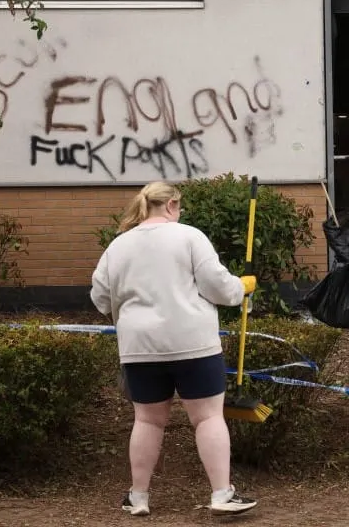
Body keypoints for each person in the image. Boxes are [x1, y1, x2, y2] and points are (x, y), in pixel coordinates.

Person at [90, 181, 260, 517]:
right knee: (208, 417)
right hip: (194, 344)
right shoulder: (190, 237)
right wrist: (241, 287)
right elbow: (218, 286)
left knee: (147, 421)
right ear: (170, 205)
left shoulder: (118, 246)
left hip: (140, 348)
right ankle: (221, 494)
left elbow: (100, 298)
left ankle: (138, 497)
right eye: (179, 207)